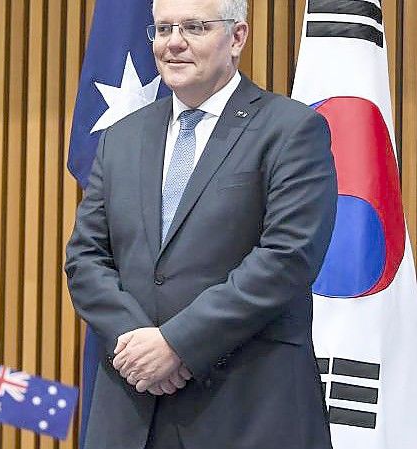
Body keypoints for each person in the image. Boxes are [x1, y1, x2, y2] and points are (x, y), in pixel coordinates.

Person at [65, 0, 336, 447]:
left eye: (194, 27)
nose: (173, 43)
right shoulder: (121, 137)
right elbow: (85, 257)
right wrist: (136, 342)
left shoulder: (291, 129)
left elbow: (287, 257)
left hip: (248, 410)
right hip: (132, 412)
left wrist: (176, 344)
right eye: (163, 29)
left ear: (237, 37)